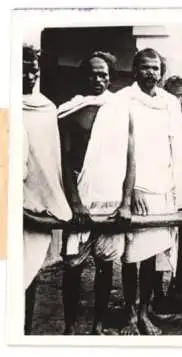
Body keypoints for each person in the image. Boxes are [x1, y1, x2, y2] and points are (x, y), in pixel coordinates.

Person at [97, 48, 182, 335]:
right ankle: (129, 313)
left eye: (156, 69)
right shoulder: (123, 100)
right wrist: (130, 188)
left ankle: (144, 312)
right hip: (134, 188)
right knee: (131, 255)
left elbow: (179, 149)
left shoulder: (171, 103)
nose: (152, 73)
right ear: (135, 70)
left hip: (163, 188)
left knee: (150, 256)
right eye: (146, 68)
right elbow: (117, 148)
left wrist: (180, 196)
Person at [57, 51, 129, 335]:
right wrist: (75, 204)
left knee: (105, 266)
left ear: (111, 77)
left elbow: (128, 158)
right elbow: (64, 160)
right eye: (93, 74)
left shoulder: (119, 109)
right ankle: (70, 327)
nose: (99, 79)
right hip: (82, 199)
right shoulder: (71, 111)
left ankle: (98, 327)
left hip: (111, 198)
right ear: (83, 77)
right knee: (73, 266)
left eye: (104, 74)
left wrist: (124, 201)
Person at [22, 45, 72, 334]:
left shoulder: (46, 108)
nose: (30, 75)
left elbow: (50, 157)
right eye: (23, 69)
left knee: (30, 271)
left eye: (35, 69)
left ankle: (23, 333)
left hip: (35, 201)